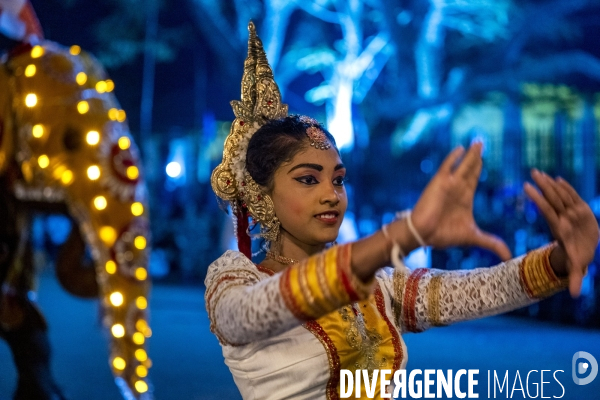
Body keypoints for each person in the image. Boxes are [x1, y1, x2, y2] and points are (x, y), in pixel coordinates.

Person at [206, 22, 599, 399]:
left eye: (338, 180)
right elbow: (247, 315)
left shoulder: (378, 287)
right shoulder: (237, 279)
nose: (332, 195)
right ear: (261, 195)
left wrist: (560, 261)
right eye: (309, 179)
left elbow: (478, 291)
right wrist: (404, 233)